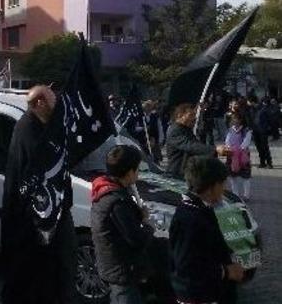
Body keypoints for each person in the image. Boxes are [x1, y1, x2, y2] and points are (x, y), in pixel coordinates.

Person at [2, 85, 77, 304]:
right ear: (40, 103)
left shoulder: (45, 127)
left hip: (54, 210)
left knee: (60, 266)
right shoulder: (27, 128)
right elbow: (41, 167)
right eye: (54, 101)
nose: (58, 107)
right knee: (31, 272)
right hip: (34, 215)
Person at [170, 156, 244, 304]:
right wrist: (225, 271)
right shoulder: (190, 219)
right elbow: (187, 266)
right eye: (222, 184)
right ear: (212, 186)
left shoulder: (200, 209)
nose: (224, 189)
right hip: (199, 295)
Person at [90, 145, 154, 304]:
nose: (138, 175)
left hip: (114, 265)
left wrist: (137, 215)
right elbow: (136, 239)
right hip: (121, 269)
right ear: (129, 172)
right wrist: (147, 224)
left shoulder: (106, 190)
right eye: (137, 170)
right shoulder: (117, 202)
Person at [166, 104, 227, 179]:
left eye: (194, 115)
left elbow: (197, 145)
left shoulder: (186, 129)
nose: (194, 118)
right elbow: (191, 145)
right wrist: (215, 150)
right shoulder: (175, 130)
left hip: (188, 172)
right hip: (177, 173)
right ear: (180, 115)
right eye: (190, 115)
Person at [223, 112, 253, 201]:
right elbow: (227, 141)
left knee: (245, 176)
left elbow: (246, 142)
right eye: (233, 119)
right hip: (231, 155)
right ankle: (235, 194)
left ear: (241, 120)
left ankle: (246, 195)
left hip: (243, 156)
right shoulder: (229, 130)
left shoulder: (246, 130)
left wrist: (239, 149)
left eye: (237, 119)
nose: (235, 121)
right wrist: (229, 148)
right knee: (233, 176)